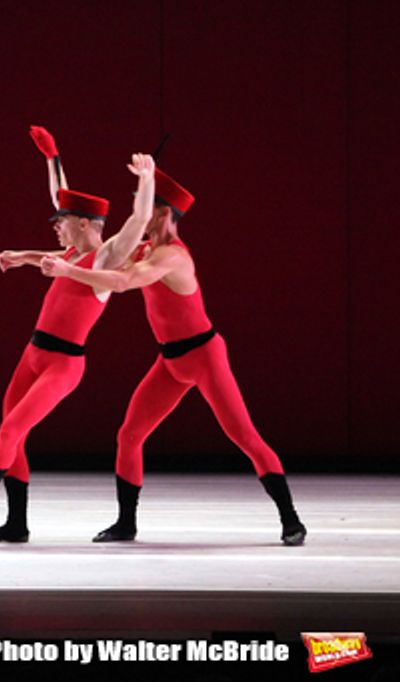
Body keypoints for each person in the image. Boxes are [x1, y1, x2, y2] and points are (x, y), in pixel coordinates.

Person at [39, 164, 307, 546]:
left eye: (147, 206)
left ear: (164, 213)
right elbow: (92, 253)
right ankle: (125, 523)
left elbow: (124, 281)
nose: (141, 213)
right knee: (129, 435)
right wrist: (33, 255)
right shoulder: (147, 248)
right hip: (170, 360)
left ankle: (291, 519)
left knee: (244, 436)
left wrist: (66, 271)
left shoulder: (173, 258)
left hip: (203, 356)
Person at [0, 127, 156, 546]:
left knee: (10, 432)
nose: (56, 227)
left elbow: (139, 220)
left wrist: (146, 180)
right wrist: (52, 156)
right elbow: (60, 201)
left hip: (63, 364)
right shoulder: (72, 253)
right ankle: (17, 523)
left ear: (84, 224)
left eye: (62, 223)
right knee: (10, 432)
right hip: (33, 355)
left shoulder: (104, 256)